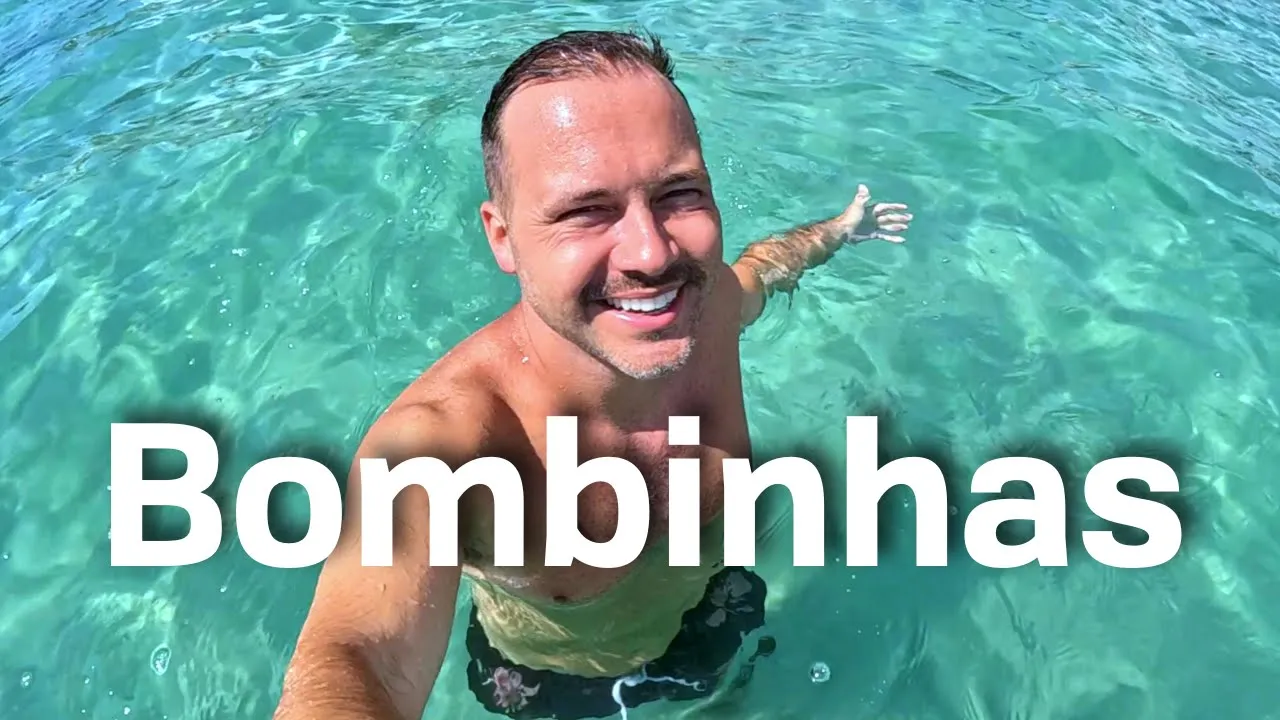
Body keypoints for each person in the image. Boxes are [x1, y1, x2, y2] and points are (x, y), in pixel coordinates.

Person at [272, 28, 912, 720]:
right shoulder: (448, 443)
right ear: (502, 237)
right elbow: (361, 653)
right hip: (554, 677)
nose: (651, 254)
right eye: (586, 210)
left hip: (714, 611)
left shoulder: (712, 307)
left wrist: (839, 230)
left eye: (679, 194)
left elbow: (766, 266)